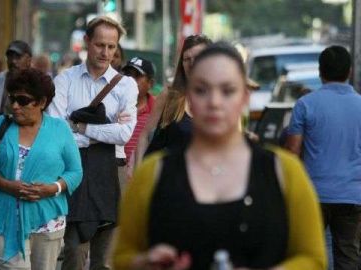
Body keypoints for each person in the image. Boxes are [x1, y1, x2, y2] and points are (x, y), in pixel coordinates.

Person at [113, 43, 327, 270]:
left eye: (227, 90)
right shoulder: (153, 173)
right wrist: (145, 263)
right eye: (201, 90)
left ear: (245, 97)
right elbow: (122, 256)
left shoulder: (285, 171)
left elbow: (313, 258)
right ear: (189, 97)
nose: (214, 102)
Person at [47, 16, 138, 270]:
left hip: (112, 170)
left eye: (111, 47)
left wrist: (80, 126)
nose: (105, 52)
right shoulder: (65, 80)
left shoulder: (126, 85)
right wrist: (105, 129)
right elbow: (57, 130)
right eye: (100, 45)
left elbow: (124, 135)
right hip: (74, 170)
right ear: (87, 41)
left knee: (106, 259)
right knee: (74, 254)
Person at [0, 68, 82, 269]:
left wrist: (52, 189)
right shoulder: (1, 125)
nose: (15, 106)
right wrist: (6, 185)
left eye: (22, 100)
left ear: (41, 102)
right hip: (2, 217)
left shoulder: (60, 129)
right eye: (12, 99)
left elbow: (75, 172)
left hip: (47, 219)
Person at [285, 45, 361, 270]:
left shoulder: (305, 105)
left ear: (320, 71)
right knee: (349, 256)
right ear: (349, 72)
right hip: (353, 195)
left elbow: (292, 153)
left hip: (313, 194)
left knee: (308, 255)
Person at [134, 35, 212, 167]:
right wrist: (139, 174)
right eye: (187, 59)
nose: (192, 63)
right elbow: (145, 135)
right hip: (167, 179)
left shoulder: (220, 99)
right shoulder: (170, 95)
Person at [121, 57, 156, 181]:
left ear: (150, 83)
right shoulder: (112, 106)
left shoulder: (158, 112)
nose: (131, 80)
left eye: (137, 76)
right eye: (128, 75)